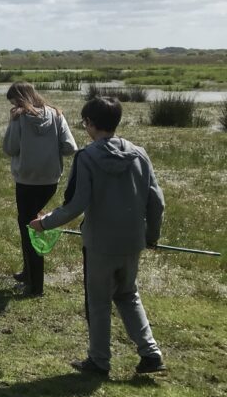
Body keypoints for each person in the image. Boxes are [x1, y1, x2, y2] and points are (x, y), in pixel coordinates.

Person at [31, 96, 166, 376]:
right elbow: (157, 202)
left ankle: (99, 361)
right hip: (132, 242)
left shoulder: (87, 157)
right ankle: (151, 353)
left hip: (100, 245)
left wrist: (45, 224)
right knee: (128, 294)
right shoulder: (139, 154)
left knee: (99, 301)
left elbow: (77, 204)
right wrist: (151, 236)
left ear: (90, 123)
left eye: (85, 123)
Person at [3, 82, 77, 296]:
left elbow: (9, 148)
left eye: (13, 102)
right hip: (50, 182)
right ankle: (28, 272)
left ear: (19, 99)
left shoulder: (18, 118)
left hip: (26, 182)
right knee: (30, 223)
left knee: (29, 229)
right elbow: (70, 147)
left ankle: (36, 285)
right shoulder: (56, 114)